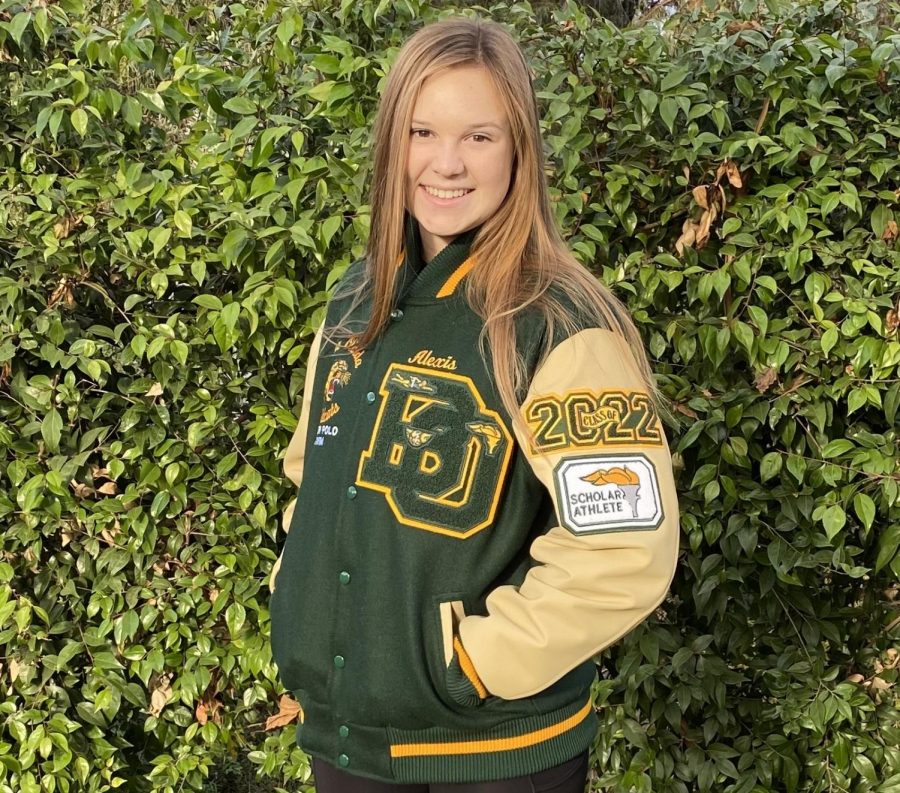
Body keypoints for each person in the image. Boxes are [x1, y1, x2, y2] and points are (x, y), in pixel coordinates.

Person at [268, 16, 679, 793]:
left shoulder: (558, 324)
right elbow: (311, 472)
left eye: (480, 136)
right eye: (423, 131)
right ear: (394, 142)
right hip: (350, 737)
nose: (446, 163)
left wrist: (471, 663)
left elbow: (624, 547)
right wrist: (298, 594)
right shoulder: (355, 302)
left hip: (492, 753)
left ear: (519, 149)